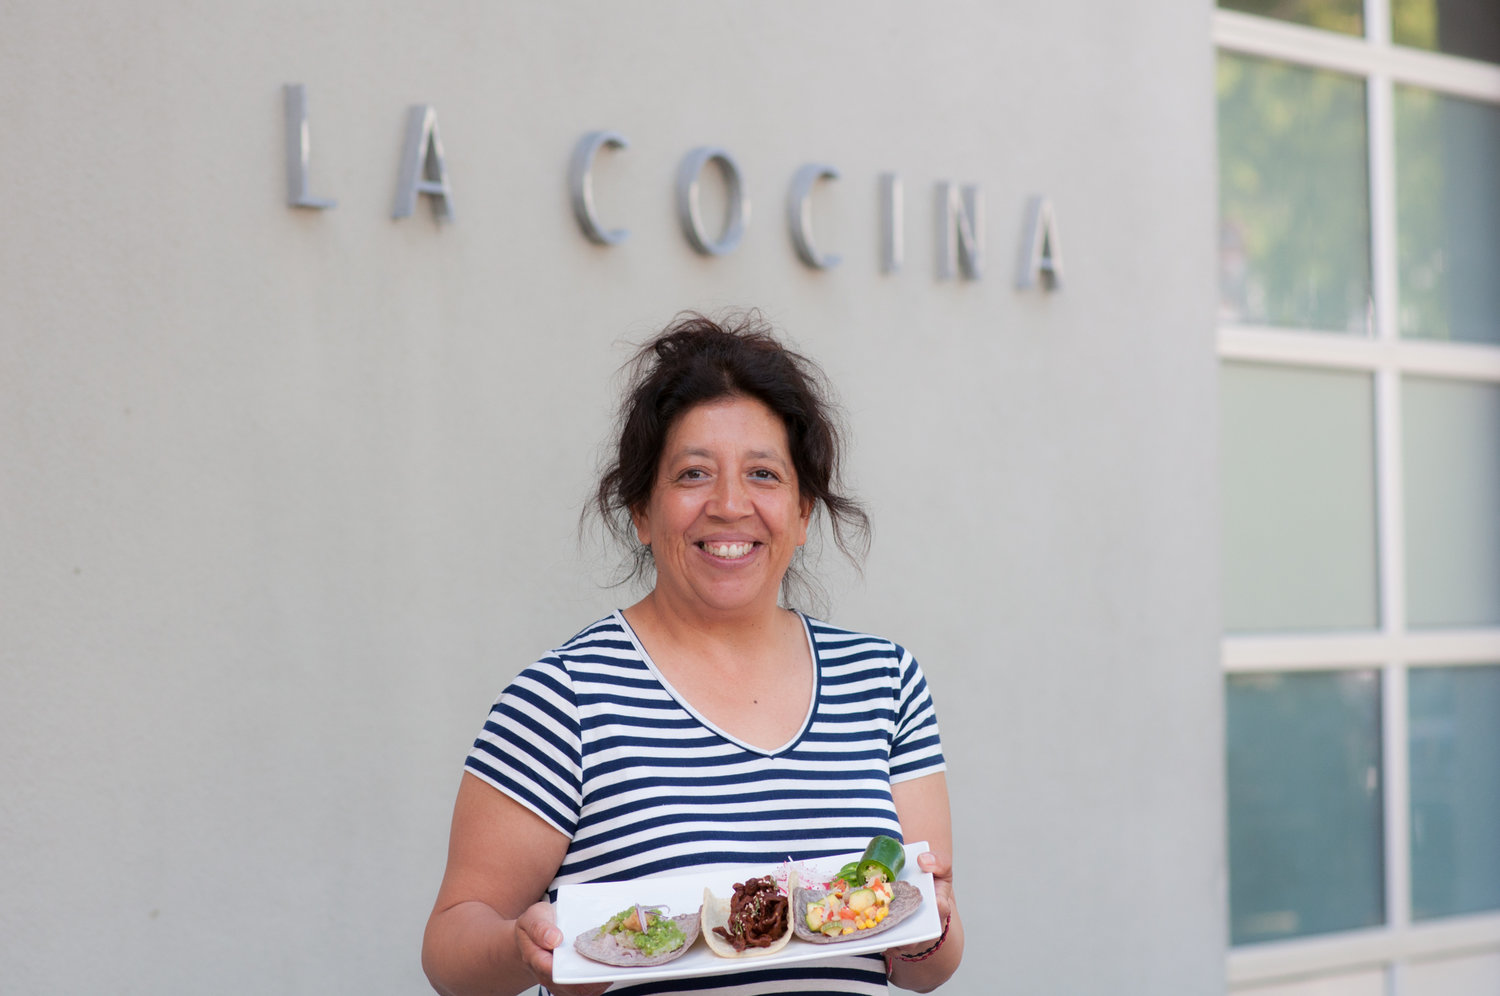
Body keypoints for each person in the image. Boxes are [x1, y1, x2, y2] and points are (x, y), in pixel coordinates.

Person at [422, 312, 963, 996]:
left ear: (802, 514)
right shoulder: (565, 699)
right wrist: (519, 947)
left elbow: (930, 967)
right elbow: (449, 947)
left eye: (763, 474)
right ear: (642, 512)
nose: (730, 504)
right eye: (693, 474)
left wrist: (929, 929)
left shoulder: (884, 683)